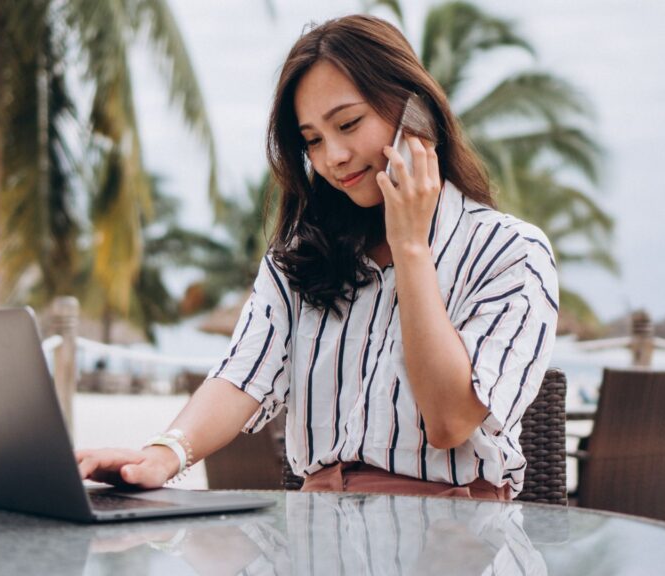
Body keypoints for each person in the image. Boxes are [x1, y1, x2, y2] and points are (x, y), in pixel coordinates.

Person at [77, 14, 558, 500]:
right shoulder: (302, 256)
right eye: (313, 140)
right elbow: (244, 373)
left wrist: (411, 246)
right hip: (320, 521)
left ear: (416, 115)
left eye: (348, 124)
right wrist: (163, 455)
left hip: (455, 528)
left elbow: (450, 421)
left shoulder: (510, 253)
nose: (334, 157)